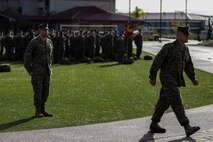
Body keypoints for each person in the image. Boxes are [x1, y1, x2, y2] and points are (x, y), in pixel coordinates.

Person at [148, 26, 200, 137]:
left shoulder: (185, 49)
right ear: (179, 35)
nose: (187, 37)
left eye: (188, 35)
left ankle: (154, 123)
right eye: (186, 35)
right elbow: (157, 61)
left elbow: (188, 65)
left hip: (176, 79)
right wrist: (152, 77)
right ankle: (187, 127)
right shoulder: (169, 47)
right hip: (167, 77)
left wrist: (193, 78)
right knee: (176, 99)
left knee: (164, 101)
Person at [24, 23, 53, 118]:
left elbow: (51, 56)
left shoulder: (49, 42)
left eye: (47, 29)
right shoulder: (34, 42)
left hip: (47, 72)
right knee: (38, 92)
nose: (46, 31)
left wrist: (50, 67)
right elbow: (27, 56)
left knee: (46, 92)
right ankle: (37, 111)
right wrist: (30, 71)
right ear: (39, 30)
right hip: (37, 72)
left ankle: (43, 109)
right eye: (44, 30)